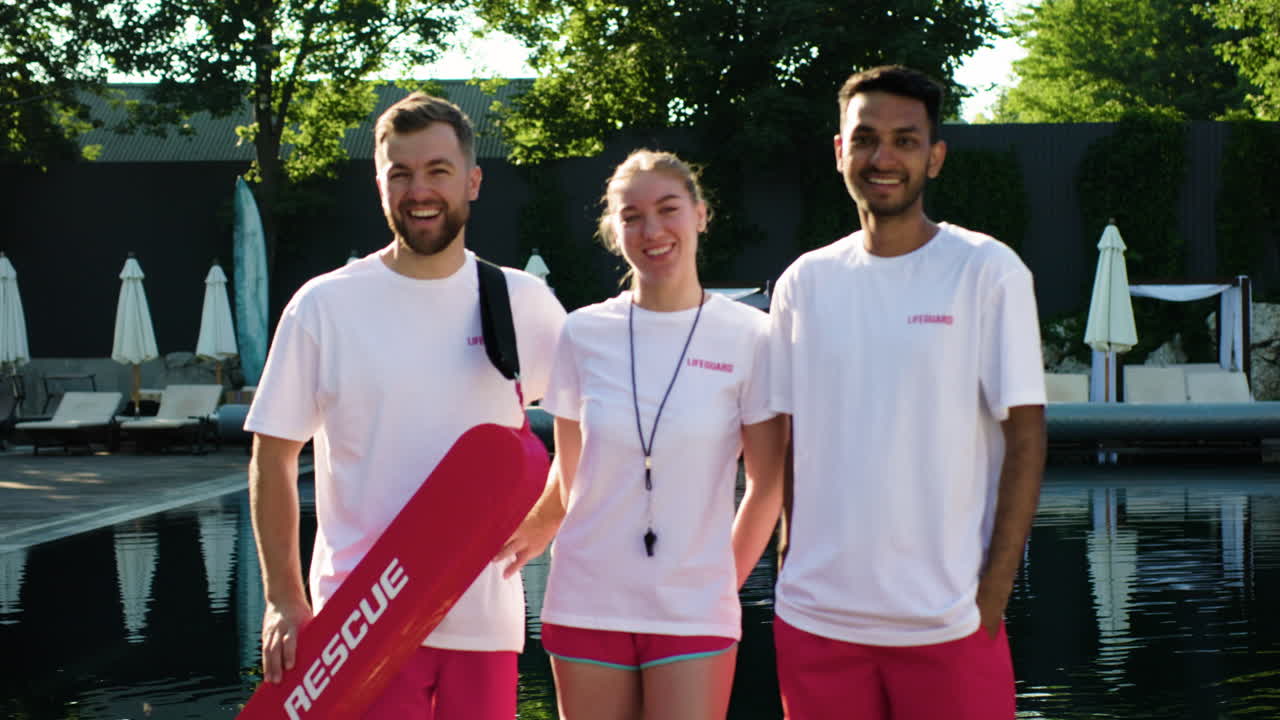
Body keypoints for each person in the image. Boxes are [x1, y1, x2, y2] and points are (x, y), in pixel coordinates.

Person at [244, 92, 566, 719]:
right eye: (401, 173)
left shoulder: (520, 302)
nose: (420, 190)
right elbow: (273, 454)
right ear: (379, 184)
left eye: (438, 171)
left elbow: (595, 423)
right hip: (361, 627)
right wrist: (283, 598)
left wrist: (551, 514)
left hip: (484, 622)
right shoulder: (326, 306)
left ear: (472, 182)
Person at [766, 65, 1047, 720]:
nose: (882, 157)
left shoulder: (986, 270)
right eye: (865, 138)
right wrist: (788, 566)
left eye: (905, 139)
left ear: (936, 157)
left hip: (946, 624)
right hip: (816, 621)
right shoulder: (803, 283)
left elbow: (1027, 438)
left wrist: (991, 597)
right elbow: (788, 440)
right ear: (840, 151)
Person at [500, 149, 788, 720]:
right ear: (615, 231)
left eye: (668, 209)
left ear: (701, 214)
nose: (652, 230)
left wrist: (716, 584)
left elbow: (767, 485)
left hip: (693, 611)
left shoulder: (754, 337)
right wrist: (517, 536)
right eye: (631, 216)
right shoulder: (583, 333)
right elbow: (571, 476)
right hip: (586, 600)